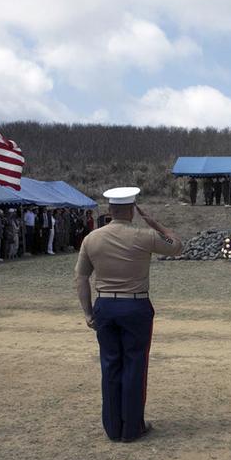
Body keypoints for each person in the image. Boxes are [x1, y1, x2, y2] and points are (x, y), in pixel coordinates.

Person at [75, 187, 183, 443]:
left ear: (110, 210)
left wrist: (88, 312)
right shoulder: (145, 236)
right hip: (135, 306)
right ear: (132, 210)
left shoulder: (92, 239)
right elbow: (177, 246)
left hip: (105, 306)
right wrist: (156, 224)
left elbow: (81, 277)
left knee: (110, 365)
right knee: (135, 366)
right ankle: (132, 428)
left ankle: (113, 427)